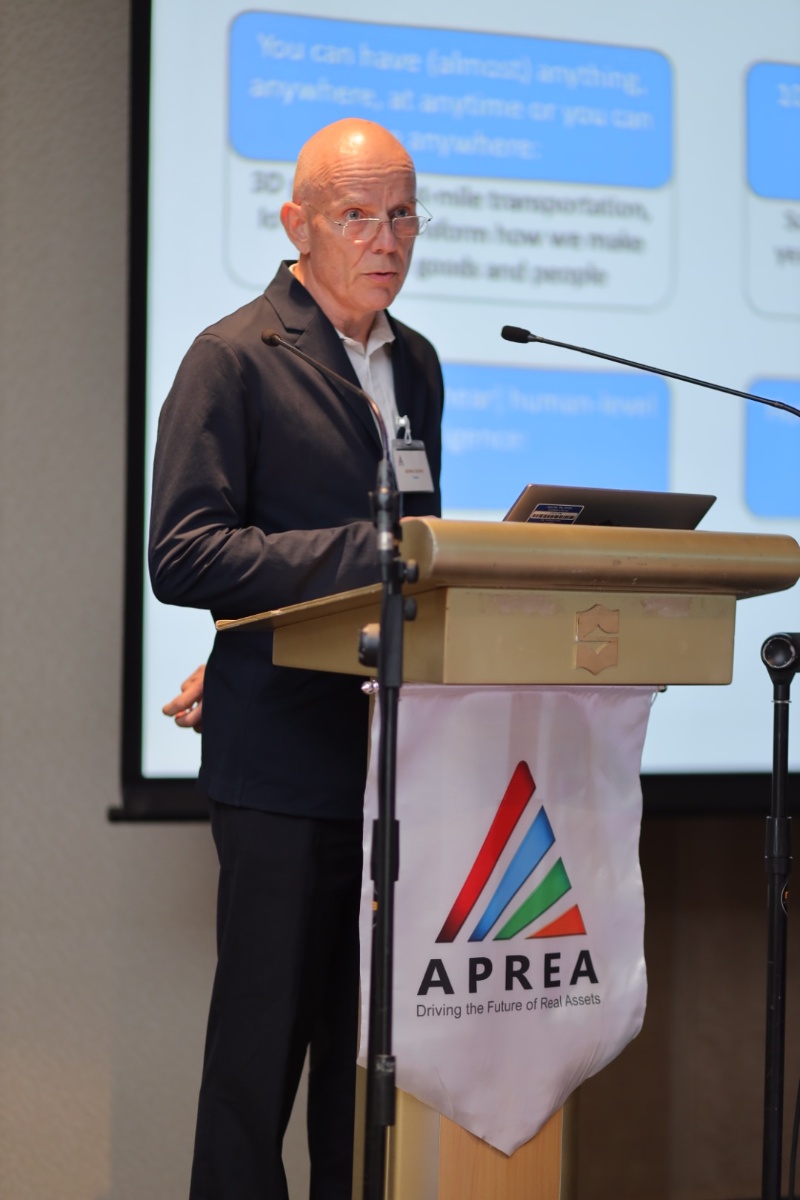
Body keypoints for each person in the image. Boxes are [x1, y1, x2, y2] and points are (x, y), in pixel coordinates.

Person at [149, 118, 443, 1200]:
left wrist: (406, 570)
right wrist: (366, 554)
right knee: (256, 1069)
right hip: (280, 766)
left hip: (391, 767)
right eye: (356, 214)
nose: (385, 238)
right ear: (296, 224)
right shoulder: (234, 357)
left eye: (402, 214)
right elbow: (183, 553)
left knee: (359, 1081)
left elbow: (416, 557)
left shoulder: (416, 363)